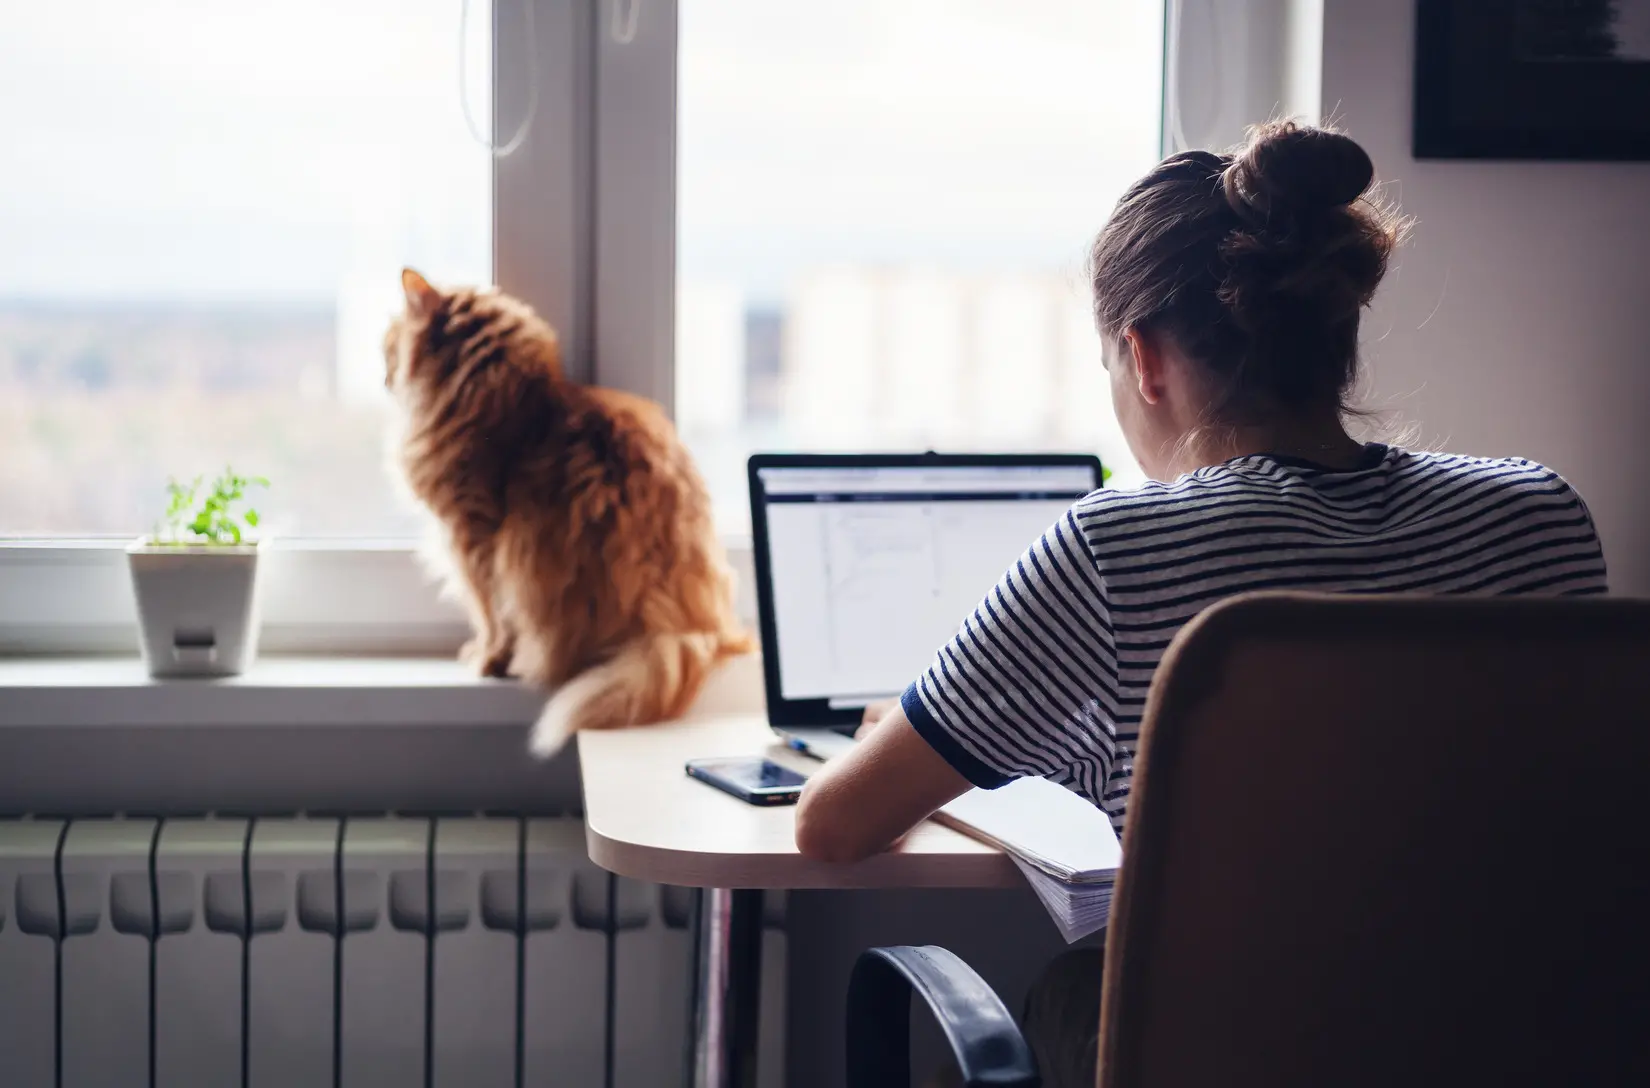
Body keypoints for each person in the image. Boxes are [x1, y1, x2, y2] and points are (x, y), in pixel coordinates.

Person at [794, 121, 1609, 1086]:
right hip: (1517, 1042)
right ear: (1338, 329)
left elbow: (833, 825)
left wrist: (930, 732)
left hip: (1236, 1057)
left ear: (1143, 359)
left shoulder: (1115, 548)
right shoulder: (1539, 513)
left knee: (1069, 990)